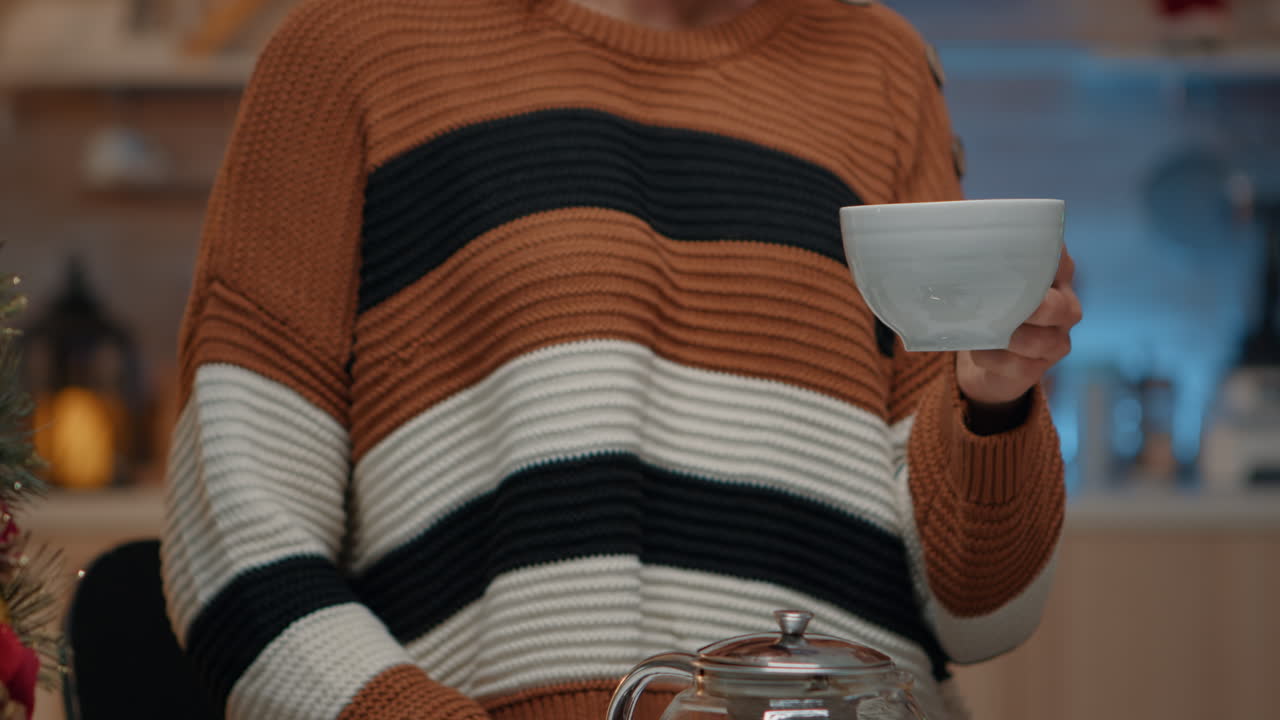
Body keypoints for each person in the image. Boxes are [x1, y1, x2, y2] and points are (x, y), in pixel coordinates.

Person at [159, 0, 1082, 718]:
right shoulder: (350, 50)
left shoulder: (881, 66)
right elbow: (235, 548)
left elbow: (981, 612)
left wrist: (992, 401)